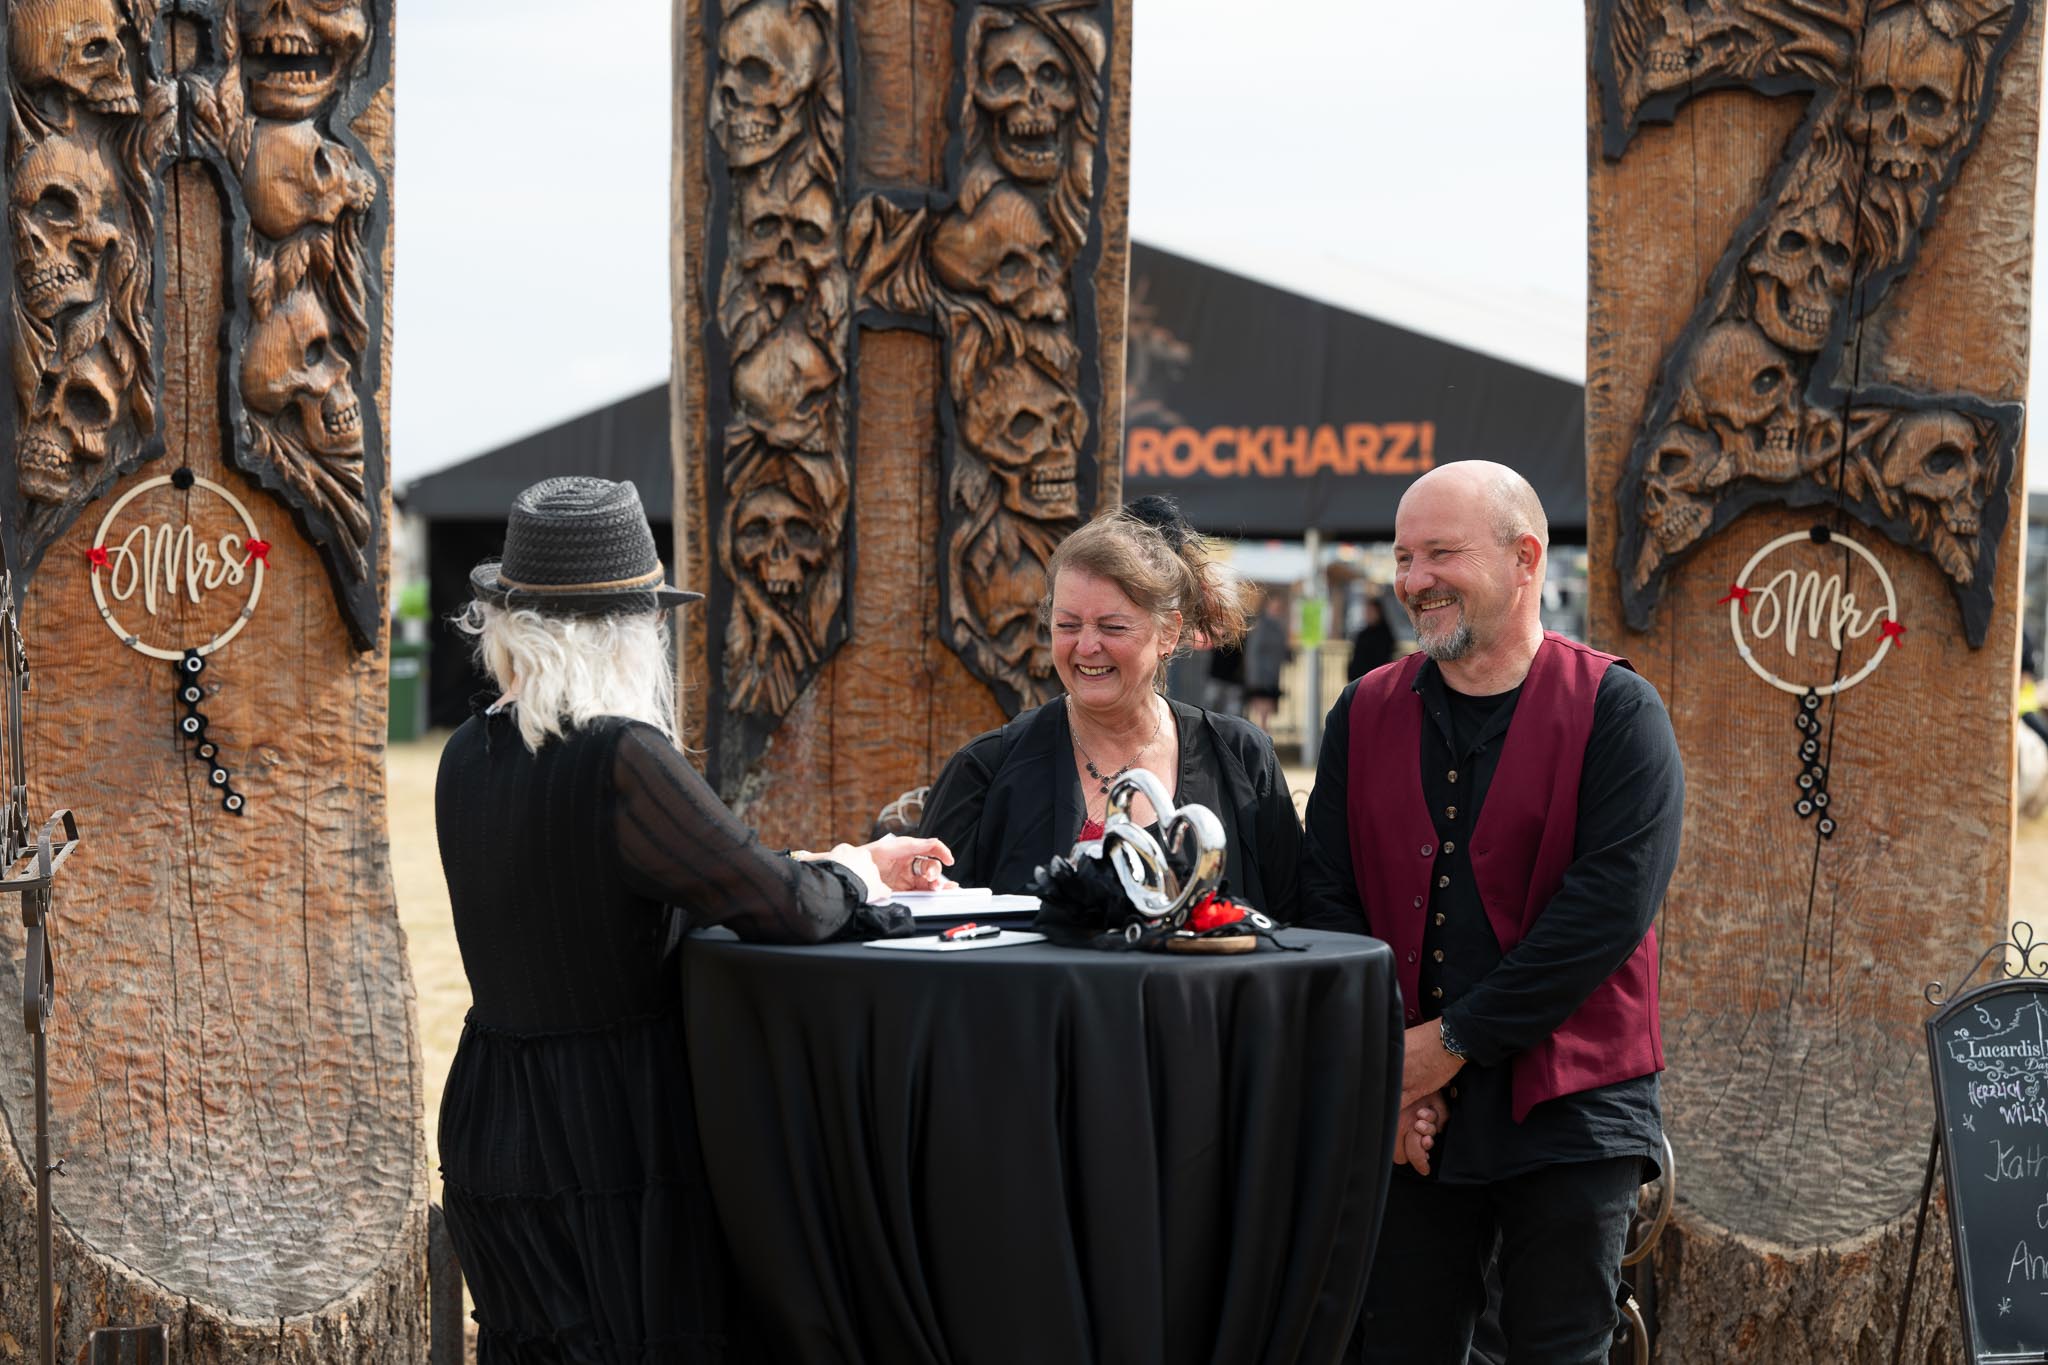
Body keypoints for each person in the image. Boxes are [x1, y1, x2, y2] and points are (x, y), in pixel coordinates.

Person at [434, 477, 953, 1363]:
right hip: (609, 1127)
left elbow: (649, 876)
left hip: (495, 1116)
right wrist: (862, 870)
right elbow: (784, 905)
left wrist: (838, 857)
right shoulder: (619, 754)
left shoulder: (468, 751)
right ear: (626, 631)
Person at [1298, 461, 1684, 1364]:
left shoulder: (1619, 711)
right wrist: (1397, 1068)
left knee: (1560, 1350)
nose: (1414, 579)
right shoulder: (1363, 710)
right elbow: (1329, 893)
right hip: (1409, 1111)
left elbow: (1601, 918)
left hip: (1571, 1108)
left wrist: (1444, 1047)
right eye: (1403, 557)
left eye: (1440, 552)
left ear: (1525, 558)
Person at [919, 497, 1303, 920]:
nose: (1086, 646)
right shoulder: (985, 770)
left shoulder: (1242, 760)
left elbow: (1296, 928)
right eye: (1067, 625)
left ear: (1168, 632)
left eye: (1112, 627)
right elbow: (928, 927)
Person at [1242, 593, 1290, 733]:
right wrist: (1253, 675)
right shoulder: (1262, 626)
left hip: (1272, 674)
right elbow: (1253, 652)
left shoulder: (1278, 627)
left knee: (1266, 709)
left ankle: (1261, 732)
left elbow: (1281, 650)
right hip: (1261, 675)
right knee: (1260, 707)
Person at [1347, 593, 1396, 680]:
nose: (1368, 614)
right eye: (1367, 611)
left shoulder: (1385, 635)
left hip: (1377, 678)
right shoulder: (1363, 634)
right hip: (1359, 679)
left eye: (1371, 611)